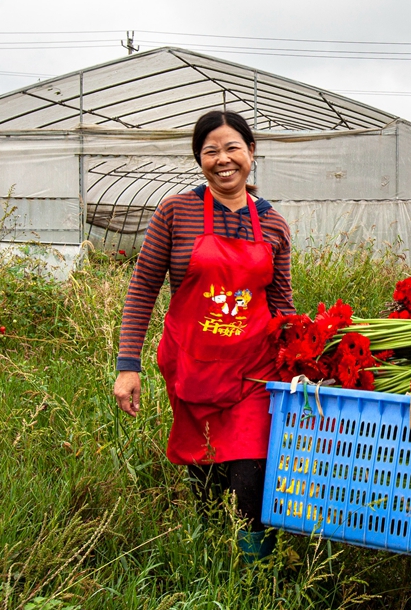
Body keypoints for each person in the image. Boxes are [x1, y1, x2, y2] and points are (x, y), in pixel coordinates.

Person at [113, 110, 294, 562]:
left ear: (251, 153)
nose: (223, 158)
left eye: (232, 147)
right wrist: (127, 367)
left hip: (253, 371)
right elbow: (143, 290)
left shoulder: (272, 224)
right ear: (200, 159)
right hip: (192, 367)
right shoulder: (176, 212)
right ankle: (214, 566)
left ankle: (256, 575)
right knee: (207, 477)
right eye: (210, 150)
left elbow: (282, 305)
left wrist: (305, 360)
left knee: (250, 477)